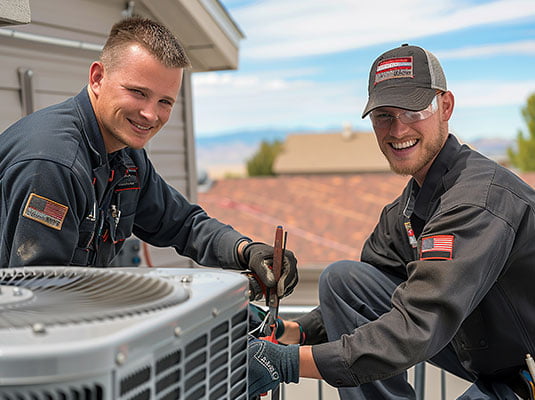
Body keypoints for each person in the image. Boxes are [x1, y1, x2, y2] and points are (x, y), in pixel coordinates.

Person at [248, 43, 535, 400]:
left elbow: (416, 327)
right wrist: (291, 331)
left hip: (526, 373)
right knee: (343, 281)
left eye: (413, 111)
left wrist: (284, 362)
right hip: (493, 362)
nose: (397, 130)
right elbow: (360, 302)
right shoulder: (408, 210)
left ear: (445, 107)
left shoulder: (477, 202)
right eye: (384, 115)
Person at [0, 17, 298, 301]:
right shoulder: (53, 164)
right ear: (97, 78)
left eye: (164, 101)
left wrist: (247, 250)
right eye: (138, 92)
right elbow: (40, 296)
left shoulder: (125, 157)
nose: (150, 114)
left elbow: (183, 224)